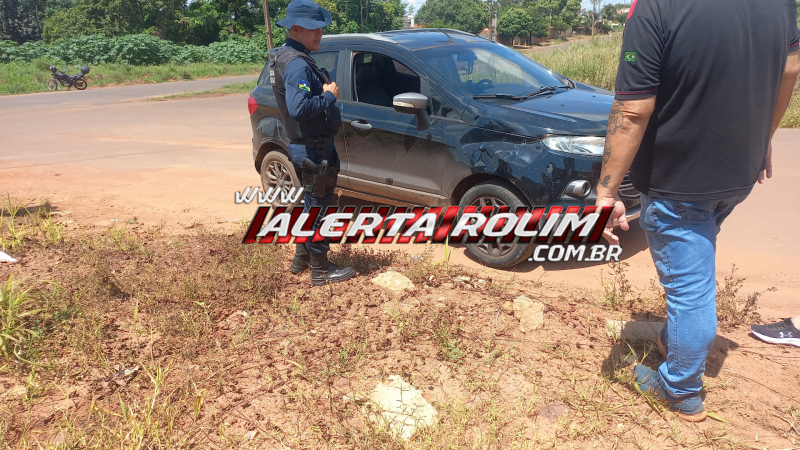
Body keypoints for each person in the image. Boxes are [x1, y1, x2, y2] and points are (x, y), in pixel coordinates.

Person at [596, 0, 800, 422]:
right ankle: (676, 341)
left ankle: (680, 388)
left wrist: (606, 192)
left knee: (690, 292)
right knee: (695, 261)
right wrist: (764, 137)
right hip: (736, 174)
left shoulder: (656, 6)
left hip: (678, 181)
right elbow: (790, 69)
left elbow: (632, 109)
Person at [273, 0, 355, 286]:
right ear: (295, 29)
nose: (319, 33)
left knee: (311, 205)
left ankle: (302, 257)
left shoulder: (286, 56)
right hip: (313, 149)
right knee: (320, 208)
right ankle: (321, 269)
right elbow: (298, 108)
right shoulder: (297, 64)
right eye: (313, 29)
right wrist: (330, 95)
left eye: (321, 28)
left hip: (306, 146)